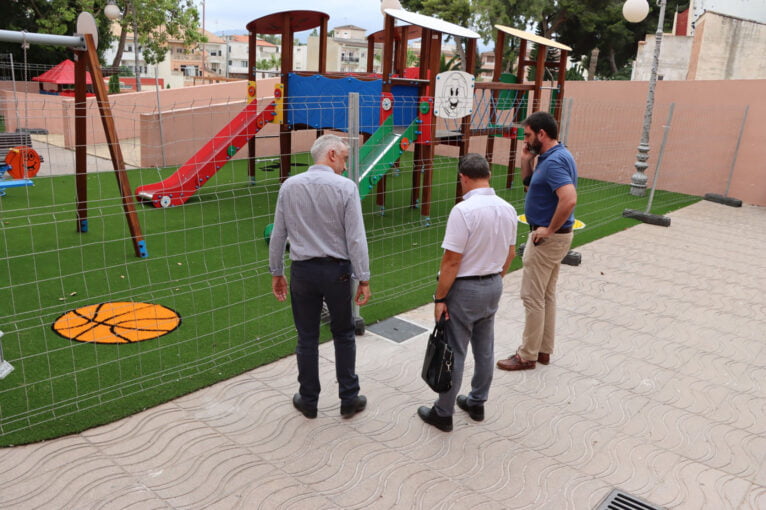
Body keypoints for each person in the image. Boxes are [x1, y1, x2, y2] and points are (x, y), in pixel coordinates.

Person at [269, 134, 371, 419]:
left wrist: (276, 271)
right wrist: (363, 277)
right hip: (337, 272)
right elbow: (356, 238)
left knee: (307, 336)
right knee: (343, 333)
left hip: (302, 272)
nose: (344, 165)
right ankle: (349, 398)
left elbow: (278, 233)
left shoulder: (289, 186)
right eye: (344, 159)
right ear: (331, 155)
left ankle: (309, 399)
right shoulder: (346, 188)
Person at [418, 153, 518, 432]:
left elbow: (451, 261)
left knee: (456, 350)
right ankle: (477, 402)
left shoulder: (463, 211)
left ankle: (443, 411)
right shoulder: (507, 208)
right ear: (488, 174)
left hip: (466, 288)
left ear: (463, 177)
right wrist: (495, 277)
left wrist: (440, 297)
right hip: (493, 284)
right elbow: (510, 253)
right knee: (485, 348)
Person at [497, 111, 577, 371]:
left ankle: (526, 355)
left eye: (529, 135)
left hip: (547, 240)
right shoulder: (553, 156)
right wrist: (525, 160)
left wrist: (548, 230)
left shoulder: (554, 162)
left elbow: (569, 198)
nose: (525, 140)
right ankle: (543, 350)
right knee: (547, 294)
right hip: (555, 238)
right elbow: (531, 187)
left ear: (542, 134)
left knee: (532, 297)